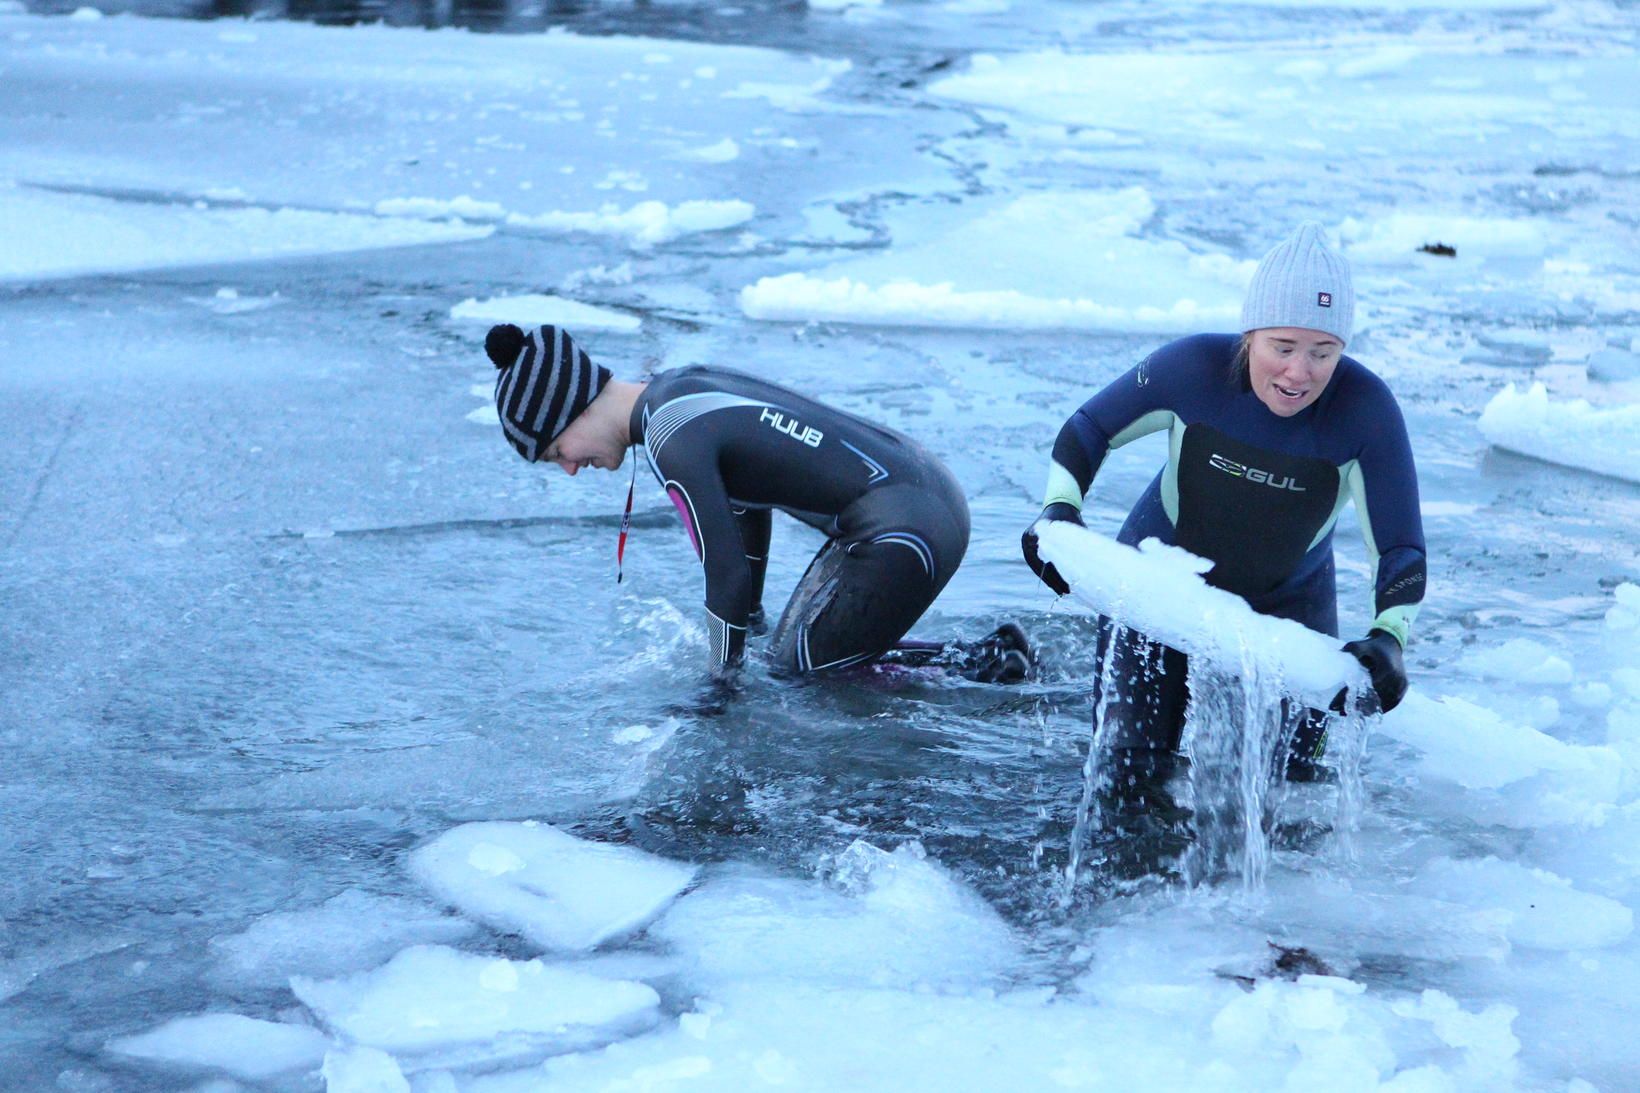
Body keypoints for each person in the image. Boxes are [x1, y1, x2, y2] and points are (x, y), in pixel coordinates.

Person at [1021, 221, 1426, 814]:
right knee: (1127, 782)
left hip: (1290, 611)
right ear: (1251, 334)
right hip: (1157, 591)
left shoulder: (1366, 411)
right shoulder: (1193, 369)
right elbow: (1089, 429)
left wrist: (1391, 639)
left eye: (1323, 353)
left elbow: (1402, 548)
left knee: (1285, 799)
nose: (1299, 374)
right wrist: (1060, 511)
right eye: (1282, 348)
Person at [487, 322, 1030, 682]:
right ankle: (989, 659)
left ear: (572, 409)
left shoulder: (669, 433)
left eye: (557, 450)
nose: (571, 466)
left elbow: (725, 575)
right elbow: (747, 504)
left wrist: (720, 681)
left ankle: (982, 677)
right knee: (793, 659)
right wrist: (747, 620)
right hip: (917, 502)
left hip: (903, 529)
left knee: (803, 678)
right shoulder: (674, 391)